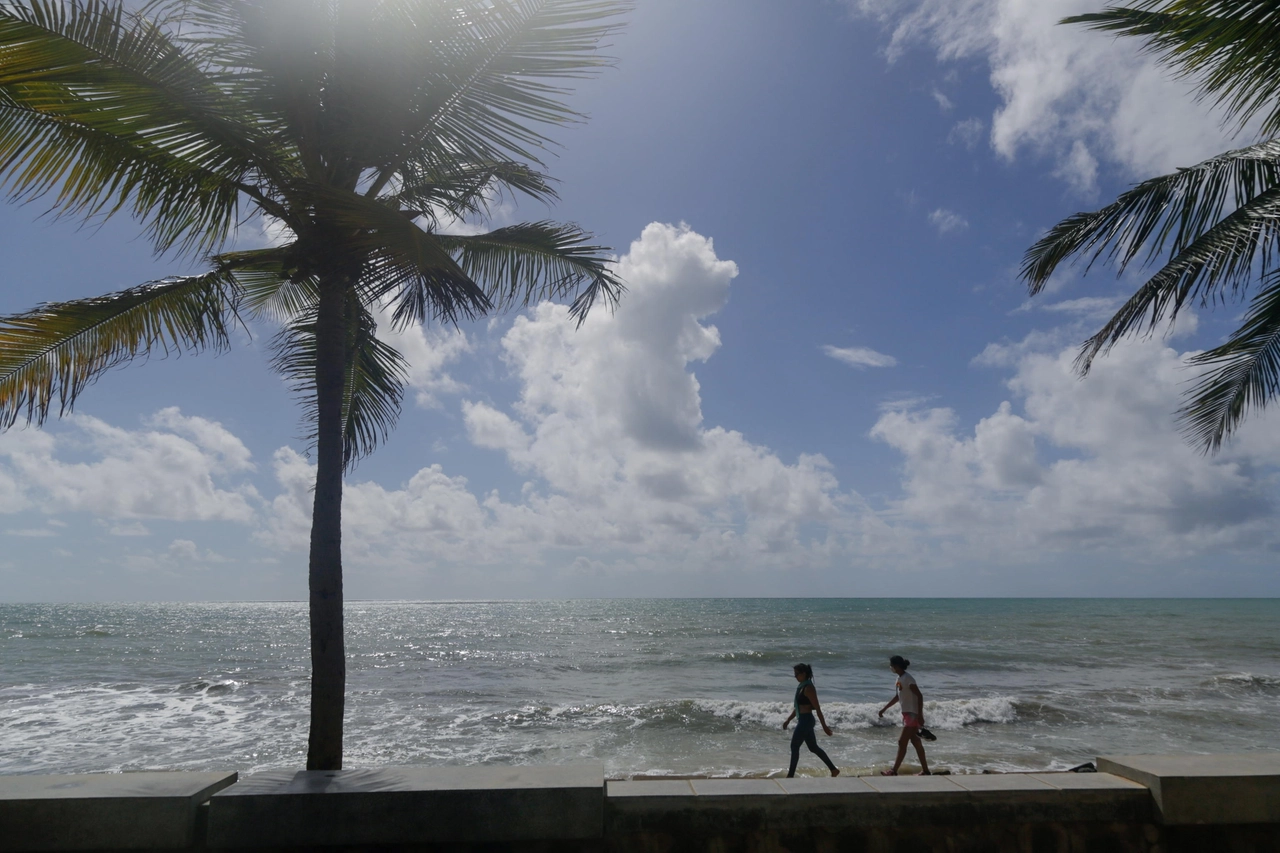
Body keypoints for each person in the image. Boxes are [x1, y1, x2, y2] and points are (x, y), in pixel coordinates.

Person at [781, 663, 840, 778]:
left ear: (804, 674)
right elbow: (798, 707)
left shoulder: (809, 688)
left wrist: (825, 727)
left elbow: (817, 708)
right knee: (813, 748)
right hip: (803, 720)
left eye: (797, 674)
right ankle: (833, 769)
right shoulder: (801, 687)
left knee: (794, 746)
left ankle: (790, 776)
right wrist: (788, 720)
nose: (795, 677)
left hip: (806, 721)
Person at [878, 655, 930, 776]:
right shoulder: (899, 679)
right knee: (916, 742)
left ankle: (893, 770)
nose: (890, 668)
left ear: (896, 666)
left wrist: (920, 715)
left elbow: (919, 695)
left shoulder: (908, 678)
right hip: (906, 714)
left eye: (891, 666)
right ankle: (926, 771)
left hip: (912, 714)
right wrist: (884, 709)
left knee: (902, 742)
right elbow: (897, 697)